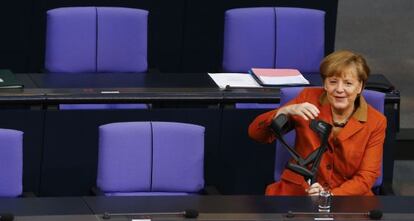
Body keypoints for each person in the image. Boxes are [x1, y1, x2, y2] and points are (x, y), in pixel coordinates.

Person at [248, 50, 386, 196]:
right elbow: (256, 134)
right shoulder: (308, 98)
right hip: (299, 191)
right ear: (325, 84)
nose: (339, 89)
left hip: (347, 197)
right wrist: (285, 111)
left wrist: (329, 196)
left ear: (360, 87)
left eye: (348, 83)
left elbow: (367, 175)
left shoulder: (376, 121)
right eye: (333, 82)